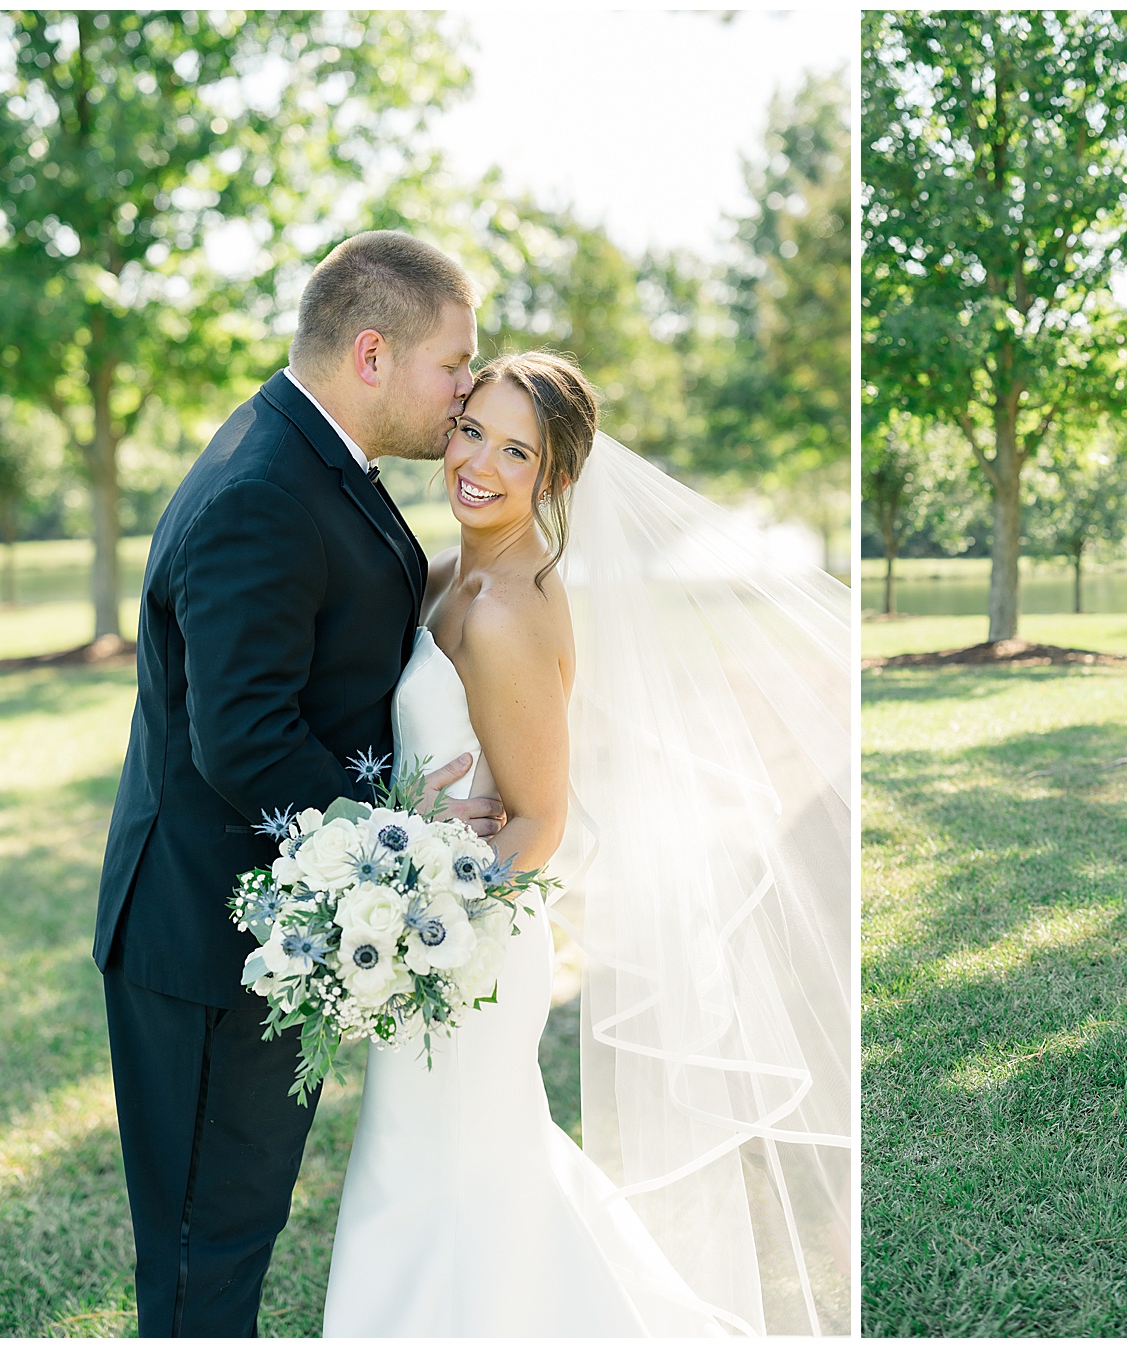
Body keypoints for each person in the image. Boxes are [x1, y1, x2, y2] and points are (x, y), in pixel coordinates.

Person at [321, 352, 852, 1335]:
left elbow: (540, 821)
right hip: (438, 933)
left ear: (556, 477)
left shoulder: (507, 609)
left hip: (467, 952)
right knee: (451, 1177)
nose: (478, 463)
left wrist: (414, 920)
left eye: (515, 451)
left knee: (442, 1179)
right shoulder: (449, 576)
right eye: (472, 430)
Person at [93, 231, 507, 1336]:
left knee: (232, 1234)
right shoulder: (264, 490)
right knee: (205, 1256)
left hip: (263, 928)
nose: (464, 388)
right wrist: (408, 845)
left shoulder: (311, 454)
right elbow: (246, 740)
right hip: (206, 945)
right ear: (372, 353)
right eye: (453, 363)